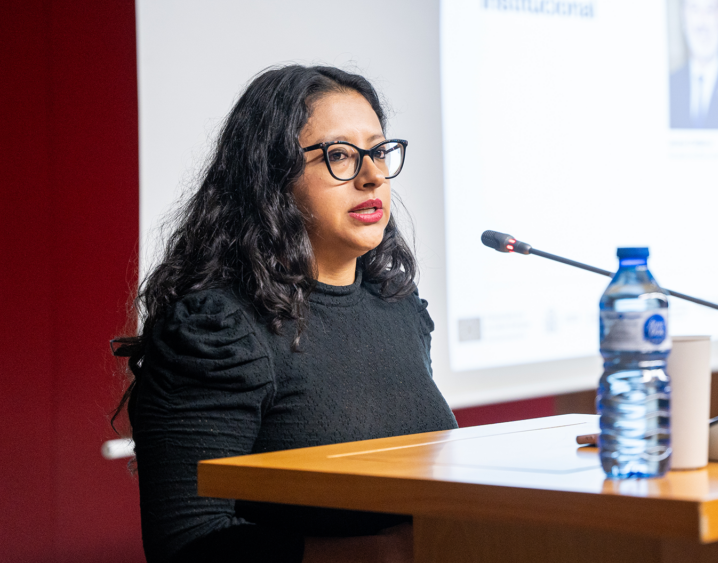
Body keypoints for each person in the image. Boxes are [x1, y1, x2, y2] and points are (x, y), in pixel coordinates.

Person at [111, 65, 458, 563]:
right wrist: (389, 553)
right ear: (271, 176)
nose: (373, 176)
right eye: (339, 155)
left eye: (379, 151)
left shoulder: (397, 307)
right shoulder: (216, 330)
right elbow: (188, 541)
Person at [668, 0, 718, 129]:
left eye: (710, 8)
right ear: (683, 17)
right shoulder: (669, 88)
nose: (702, 22)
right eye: (694, 8)